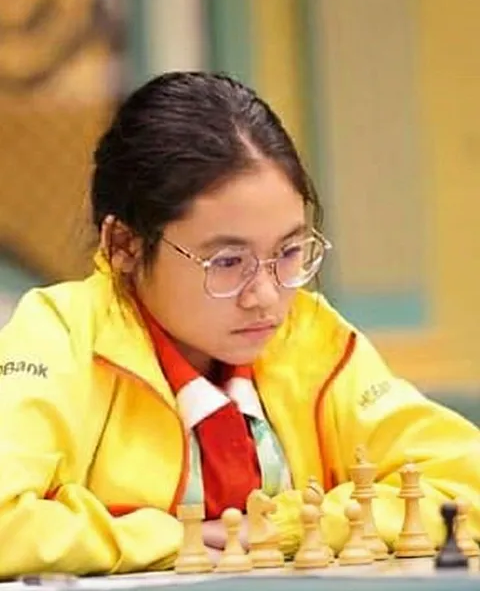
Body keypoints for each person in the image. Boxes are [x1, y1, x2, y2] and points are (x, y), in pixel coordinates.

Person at [0, 72, 478, 578]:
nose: (266, 296)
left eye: (289, 252)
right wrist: (173, 538)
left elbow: (465, 481)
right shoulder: (60, 336)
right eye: (228, 262)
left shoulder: (306, 336)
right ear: (124, 245)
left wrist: (283, 527)